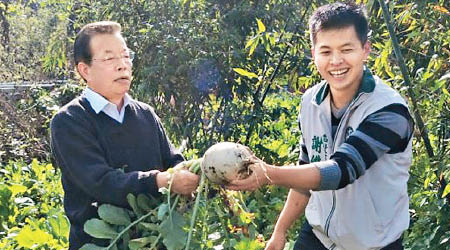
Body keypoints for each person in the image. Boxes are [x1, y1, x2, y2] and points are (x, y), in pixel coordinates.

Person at [227, 2, 414, 250]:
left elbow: (341, 171)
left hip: (374, 245)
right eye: (326, 52)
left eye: (346, 49)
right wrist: (280, 232)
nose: (336, 61)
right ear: (313, 52)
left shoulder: (389, 111)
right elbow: (307, 171)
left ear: (365, 50)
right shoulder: (310, 102)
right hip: (318, 237)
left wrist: (269, 174)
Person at [50, 21, 200, 249]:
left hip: (154, 240)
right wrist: (161, 180)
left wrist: (197, 173)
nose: (122, 65)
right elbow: (100, 183)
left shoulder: (145, 114)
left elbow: (172, 161)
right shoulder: (69, 121)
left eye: (125, 56)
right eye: (110, 59)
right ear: (85, 70)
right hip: (102, 243)